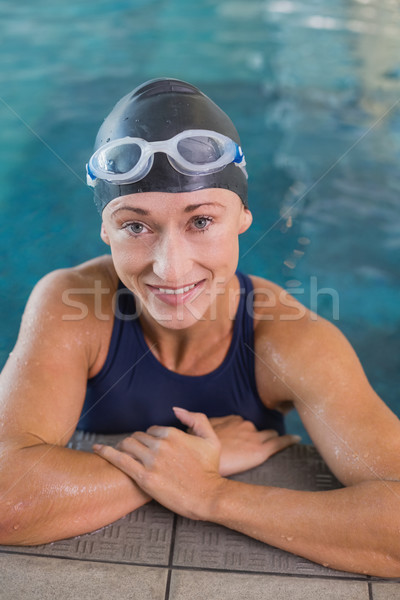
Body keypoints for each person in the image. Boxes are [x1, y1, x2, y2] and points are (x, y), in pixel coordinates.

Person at [1, 78, 400, 577]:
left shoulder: (291, 339)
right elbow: (7, 498)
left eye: (201, 221)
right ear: (105, 230)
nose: (170, 269)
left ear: (242, 218)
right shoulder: (71, 302)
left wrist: (211, 495)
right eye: (135, 226)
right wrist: (186, 463)